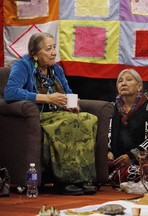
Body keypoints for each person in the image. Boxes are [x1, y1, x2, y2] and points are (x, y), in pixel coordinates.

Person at [4, 32, 98, 195]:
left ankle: (83, 178)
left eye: (54, 47)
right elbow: (10, 93)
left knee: (88, 118)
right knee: (70, 123)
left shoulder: (57, 70)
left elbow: (68, 92)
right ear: (34, 54)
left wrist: (73, 104)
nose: (53, 52)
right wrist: (46, 98)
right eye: (48, 49)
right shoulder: (23, 65)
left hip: (60, 115)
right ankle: (64, 181)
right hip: (39, 117)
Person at [107, 68, 148, 186]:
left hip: (141, 161)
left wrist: (131, 155)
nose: (123, 83)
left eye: (128, 80)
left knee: (135, 172)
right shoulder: (111, 108)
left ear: (139, 87)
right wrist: (108, 152)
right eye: (120, 81)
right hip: (115, 161)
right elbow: (106, 133)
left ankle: (117, 177)